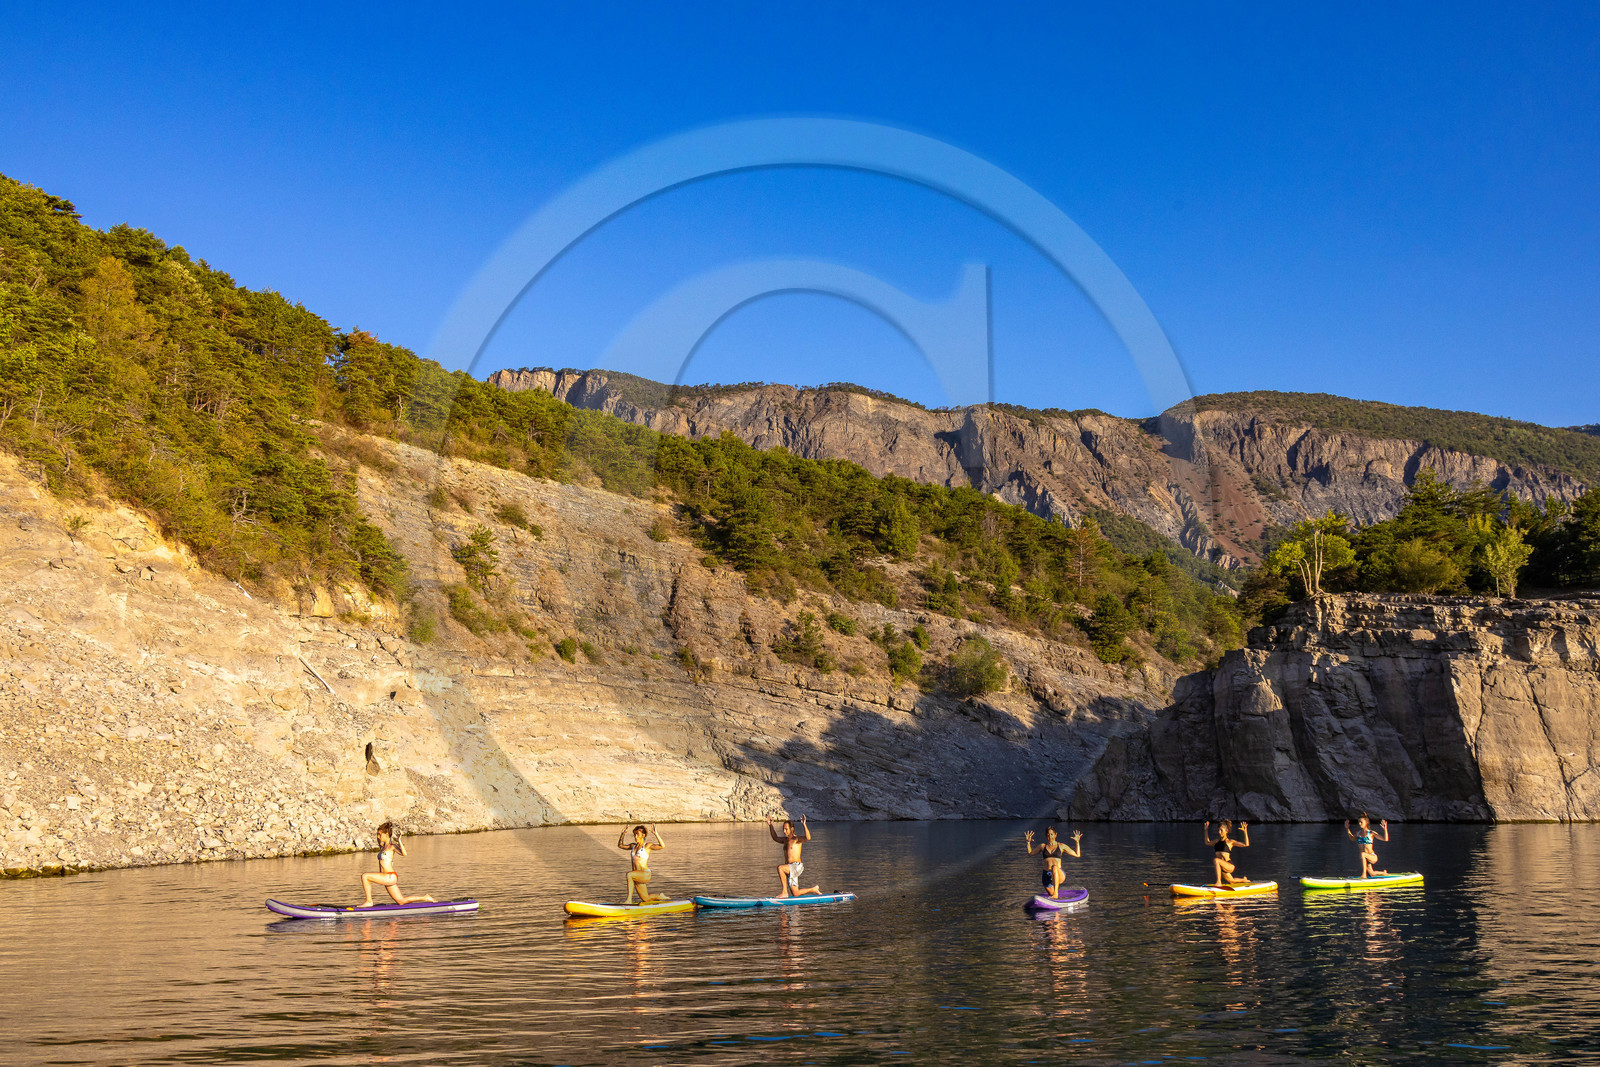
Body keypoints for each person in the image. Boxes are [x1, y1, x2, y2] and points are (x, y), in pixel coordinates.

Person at [359, 822, 435, 906]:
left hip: (390, 876)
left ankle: (369, 901)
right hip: (386, 878)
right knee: (401, 901)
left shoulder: (392, 846)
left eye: (380, 835)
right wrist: (379, 839)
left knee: (365, 876)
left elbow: (404, 853)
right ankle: (425, 897)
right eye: (378, 835)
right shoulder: (383, 847)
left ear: (386, 834)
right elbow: (380, 843)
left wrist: (399, 841)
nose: (378, 837)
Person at [768, 814, 821, 897]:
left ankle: (784, 892)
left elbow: (808, 838)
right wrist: (770, 825)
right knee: (795, 893)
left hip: (796, 866)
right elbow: (775, 837)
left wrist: (804, 824)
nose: (784, 831)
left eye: (786, 829)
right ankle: (814, 889)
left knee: (780, 868)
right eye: (783, 829)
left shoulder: (796, 839)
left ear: (791, 829)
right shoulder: (785, 840)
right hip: (790, 868)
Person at [1024, 825, 1082, 899]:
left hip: (1059, 873)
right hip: (1046, 875)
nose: (1050, 836)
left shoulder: (1061, 846)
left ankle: (1056, 893)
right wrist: (1028, 842)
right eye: (1048, 834)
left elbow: (1077, 854)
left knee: (1054, 867)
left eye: (1052, 834)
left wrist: (1077, 842)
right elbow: (1030, 854)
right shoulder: (1042, 846)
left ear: (1055, 835)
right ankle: (1054, 895)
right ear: (1046, 836)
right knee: (1051, 894)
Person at [618, 823, 666, 903]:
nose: (635, 837)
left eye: (637, 834)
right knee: (645, 899)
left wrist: (656, 834)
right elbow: (620, 845)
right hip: (636, 876)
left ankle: (629, 900)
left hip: (645, 874)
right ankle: (659, 896)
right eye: (634, 835)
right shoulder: (633, 846)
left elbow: (662, 846)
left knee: (629, 874)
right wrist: (622, 834)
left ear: (643, 835)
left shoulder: (647, 846)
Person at [1203, 819, 1251, 886]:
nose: (1219, 832)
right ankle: (1243, 880)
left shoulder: (1230, 842)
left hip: (1229, 865)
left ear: (1226, 831)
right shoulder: (1216, 841)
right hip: (1221, 866)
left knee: (1216, 860)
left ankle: (1218, 882)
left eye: (1221, 830)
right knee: (1231, 881)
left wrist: (1245, 832)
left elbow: (1246, 844)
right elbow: (1207, 843)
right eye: (1218, 830)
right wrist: (1206, 830)